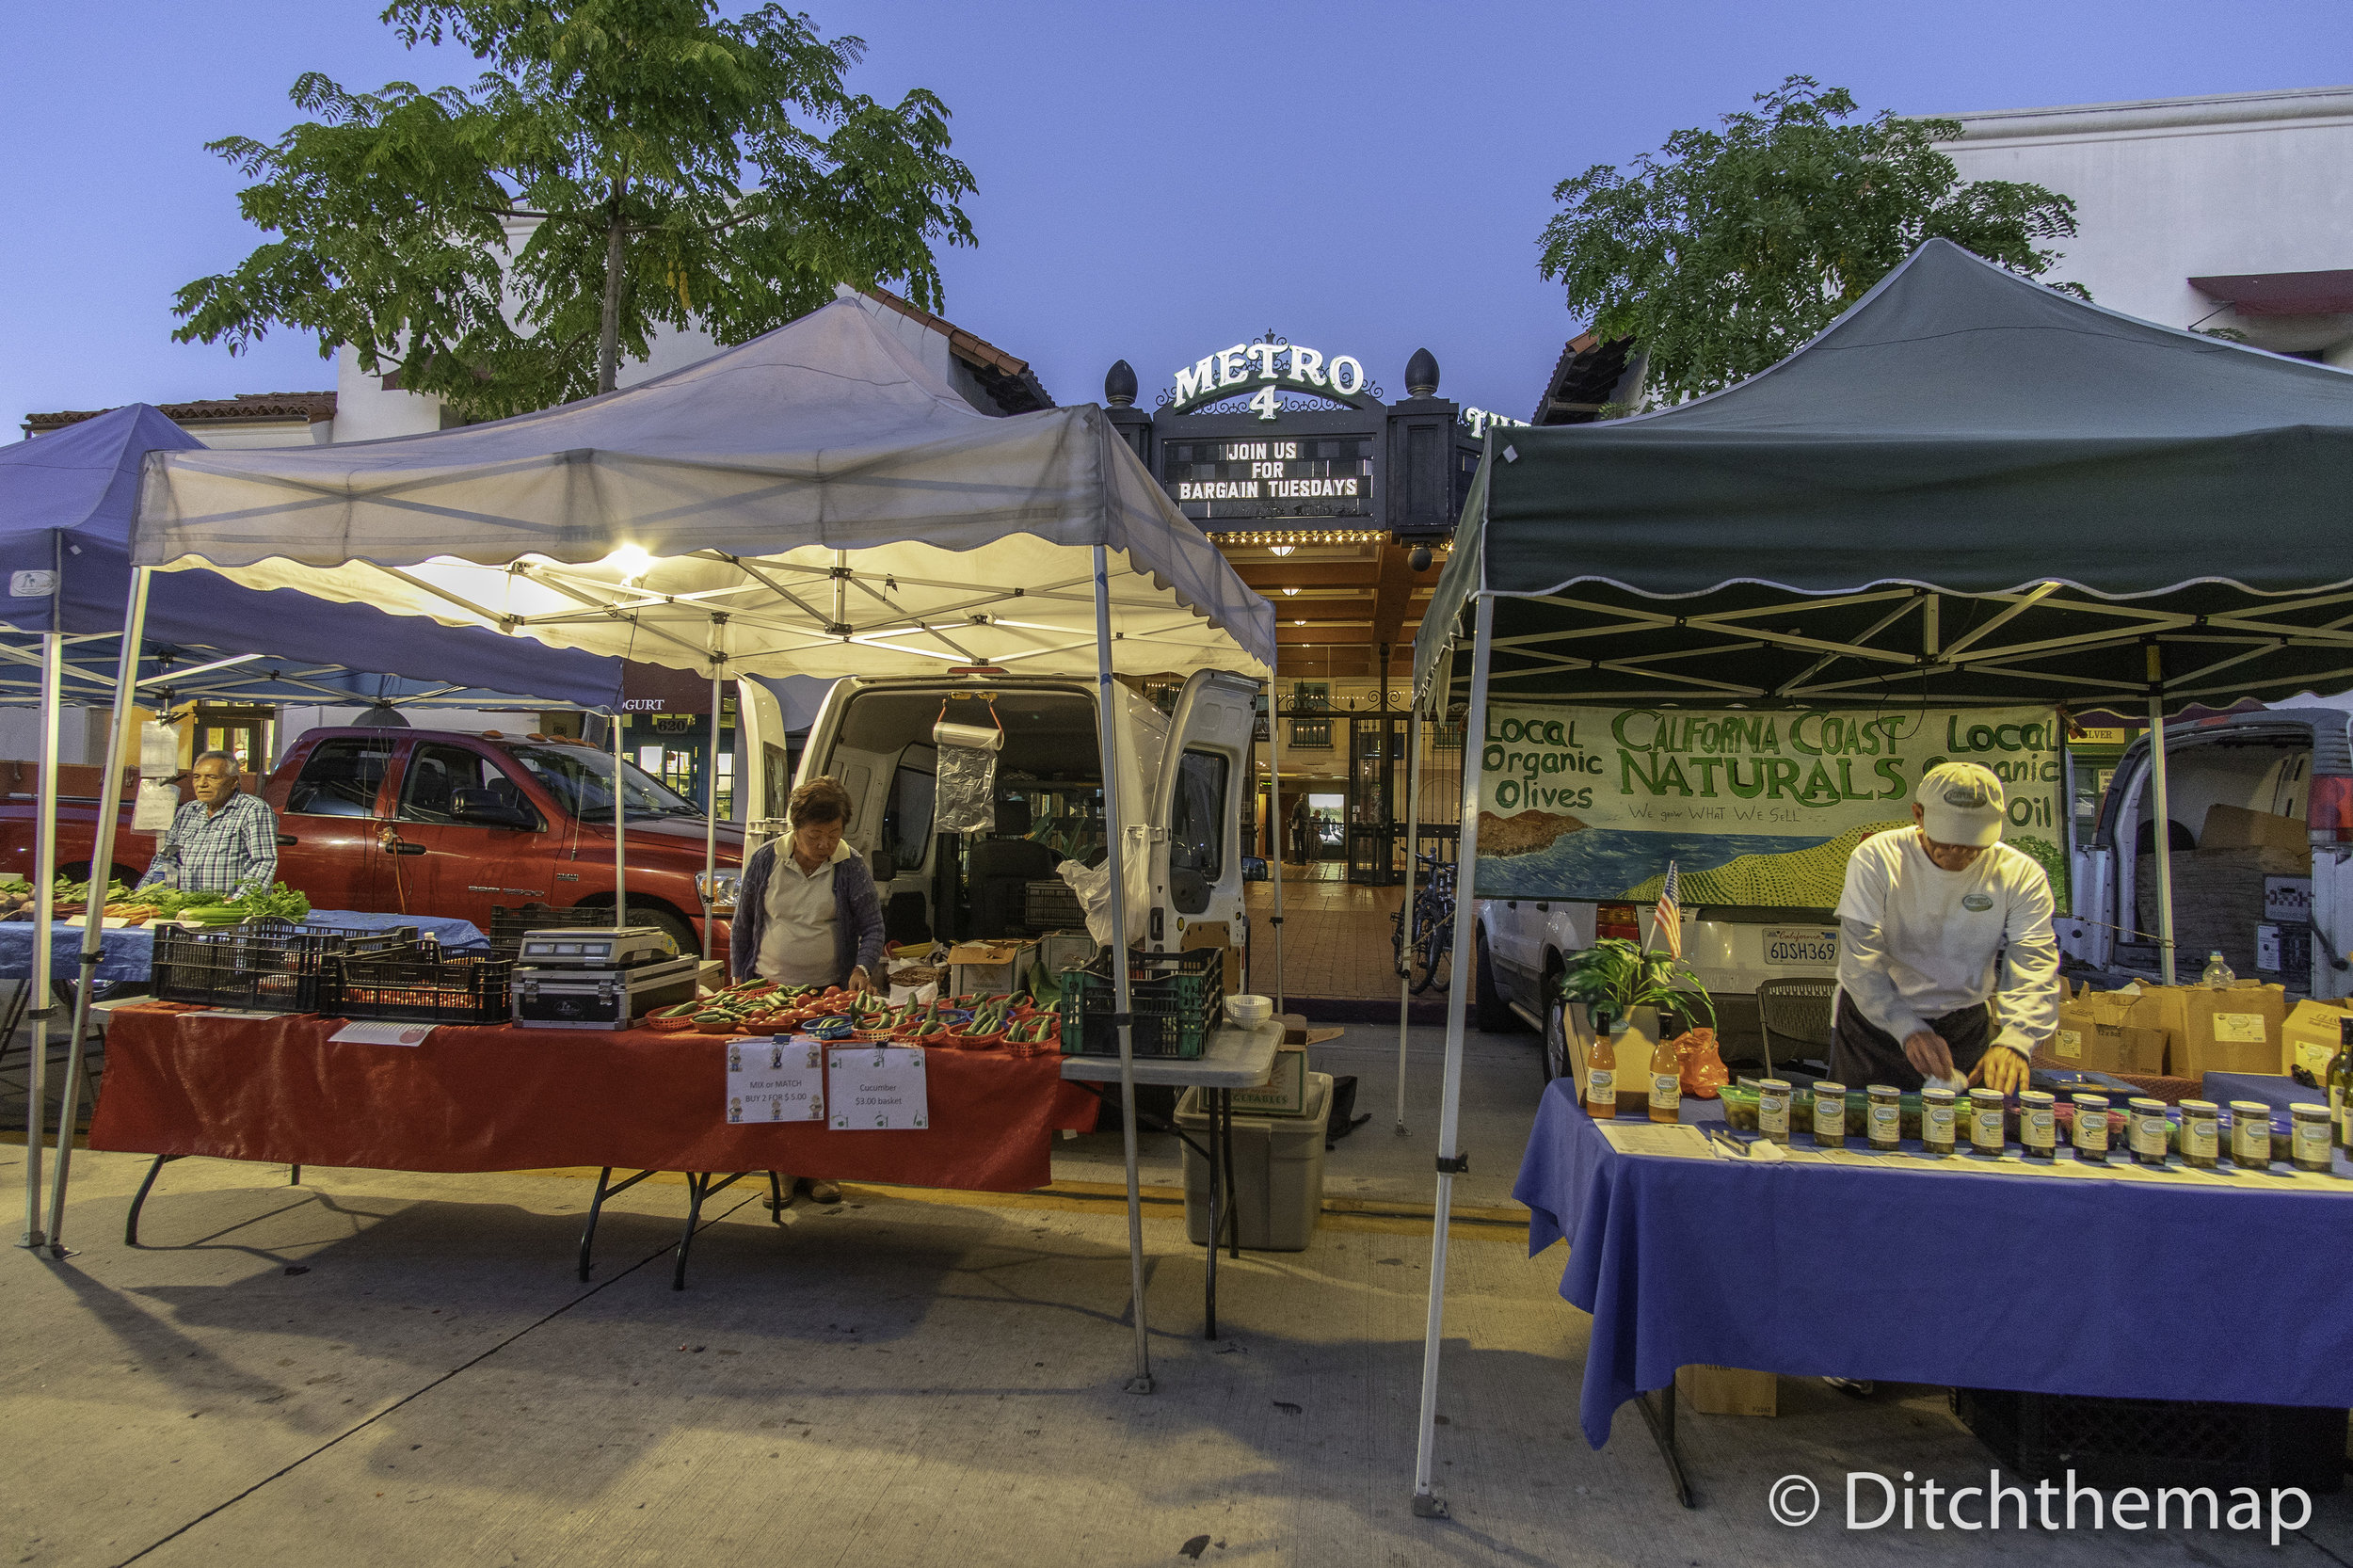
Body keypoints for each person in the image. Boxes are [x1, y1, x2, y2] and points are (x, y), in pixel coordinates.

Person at [1832, 760, 2060, 1096]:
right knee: (1860, 1131)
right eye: (1949, 838)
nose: (1959, 851)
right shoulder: (1877, 859)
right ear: (1918, 815)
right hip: (1876, 1022)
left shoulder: (2020, 875)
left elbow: (2033, 961)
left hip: (1963, 1024)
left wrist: (2017, 1038)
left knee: (1960, 1135)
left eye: (1972, 842)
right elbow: (1860, 961)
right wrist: (1906, 1027)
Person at [728, 776, 886, 1207]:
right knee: (774, 1080)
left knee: (820, 1080)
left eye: (833, 834)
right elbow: (743, 926)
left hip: (826, 993)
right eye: (815, 835)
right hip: (768, 990)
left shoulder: (849, 866)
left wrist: (861, 966)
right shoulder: (765, 860)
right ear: (795, 828)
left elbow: (872, 927)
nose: (824, 844)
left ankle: (818, 1169)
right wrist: (739, 982)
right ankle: (778, 1173)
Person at [136, 749, 278, 898]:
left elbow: (263, 861)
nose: (202, 784)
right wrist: (139, 895)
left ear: (233, 781)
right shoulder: (187, 811)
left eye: (212, 777)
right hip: (188, 908)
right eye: (197, 777)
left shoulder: (253, 810)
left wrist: (237, 901)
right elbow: (165, 858)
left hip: (231, 911)